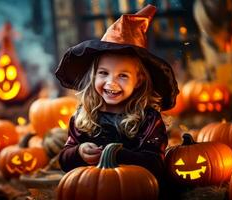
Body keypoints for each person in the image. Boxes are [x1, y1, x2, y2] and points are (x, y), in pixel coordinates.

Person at [54, 4, 179, 182]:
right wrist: (79, 152)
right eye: (103, 73)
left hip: (133, 188)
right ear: (93, 76)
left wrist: (117, 154)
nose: (111, 82)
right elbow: (64, 161)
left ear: (139, 81)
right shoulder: (84, 116)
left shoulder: (148, 119)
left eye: (122, 75)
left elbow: (156, 165)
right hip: (90, 188)